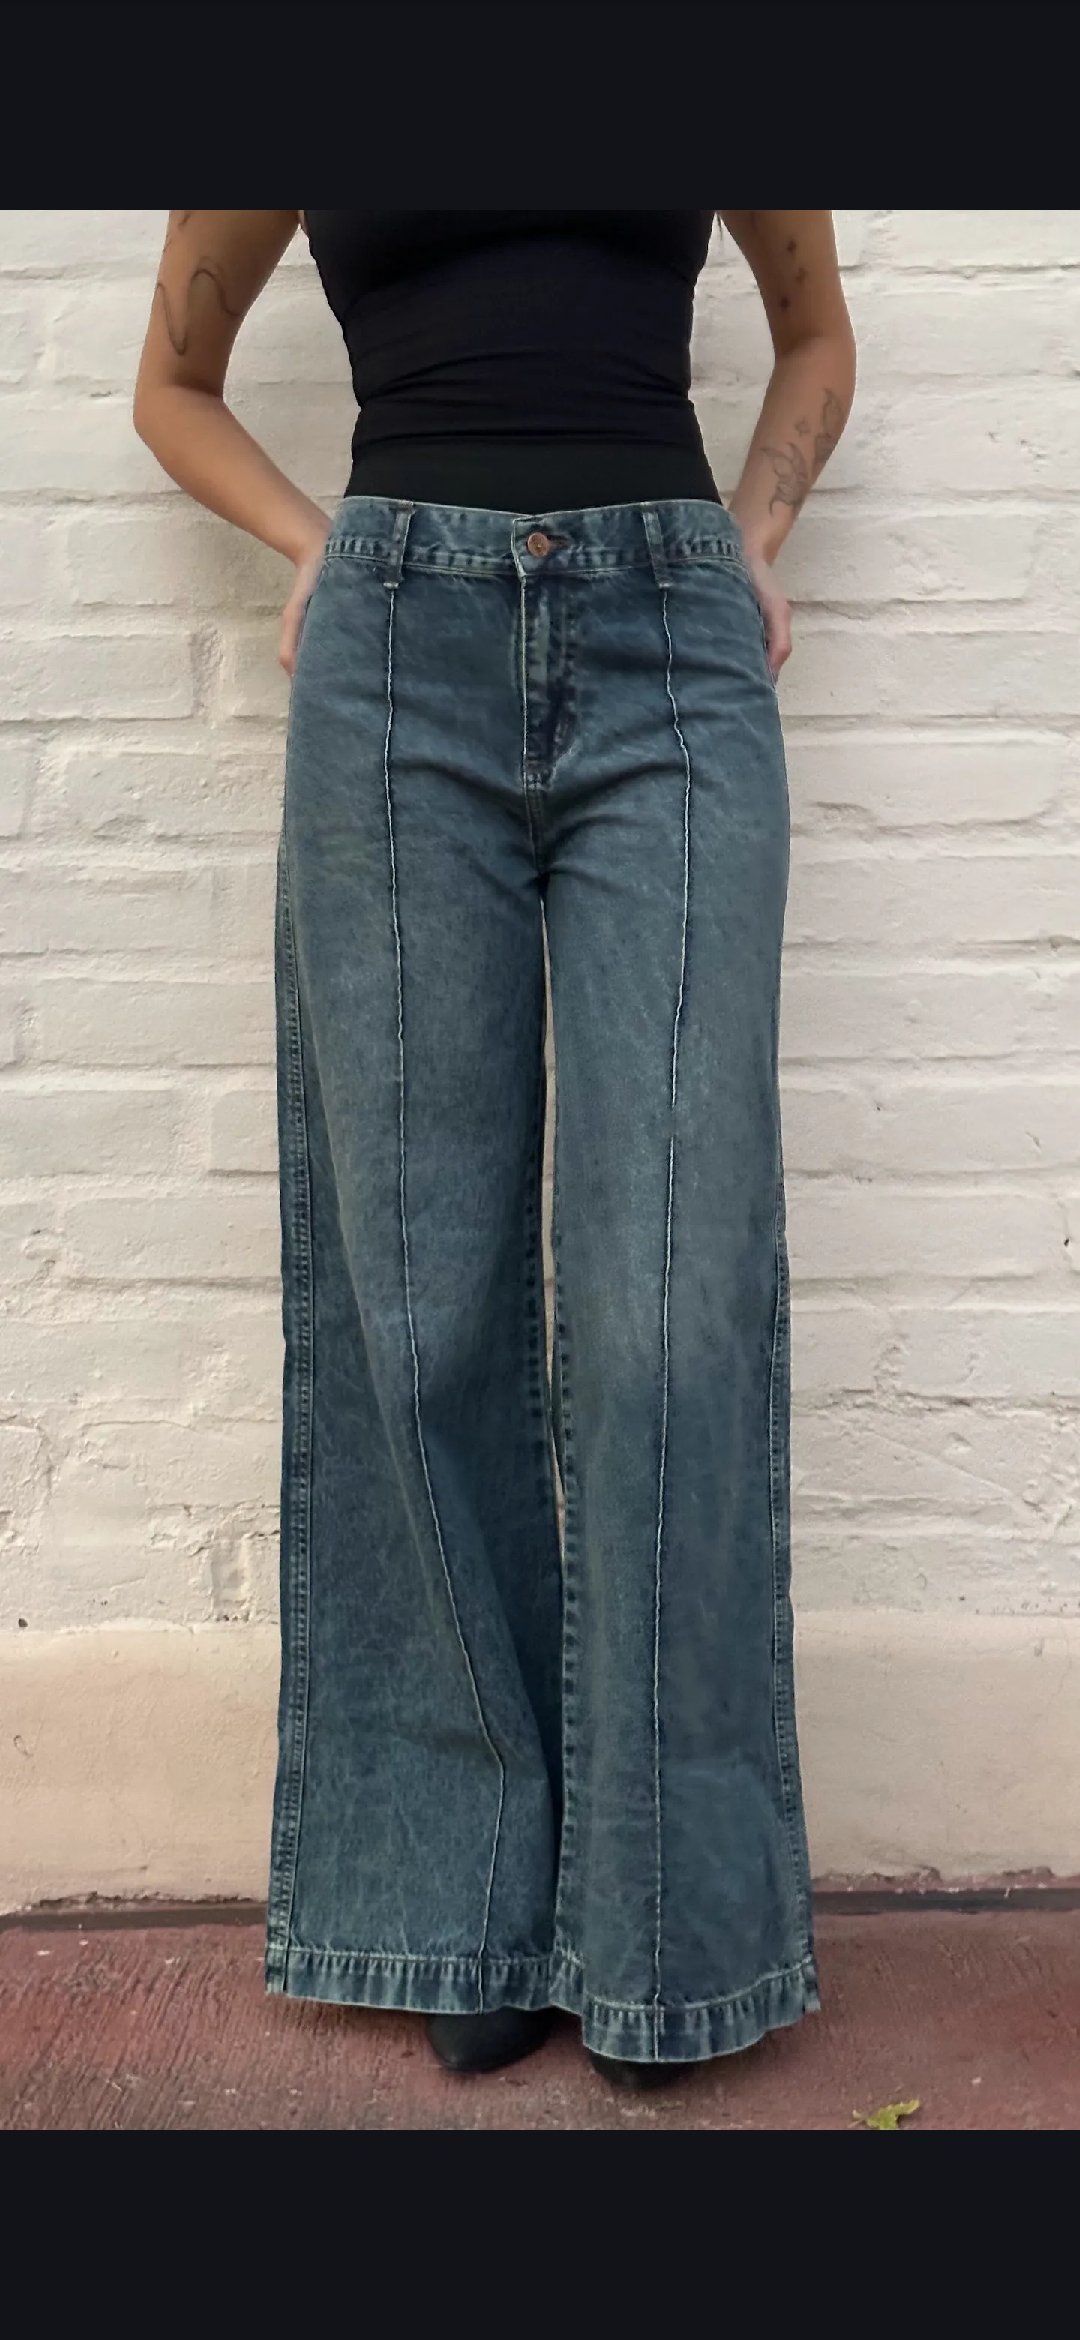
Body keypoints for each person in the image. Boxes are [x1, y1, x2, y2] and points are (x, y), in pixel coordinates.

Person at [134, 209, 856, 2092]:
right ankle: (457, 1902)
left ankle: (664, 1934)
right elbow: (173, 385)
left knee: (669, 1316)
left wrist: (753, 535)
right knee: (417, 1308)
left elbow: (814, 336)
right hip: (397, 658)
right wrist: (318, 549)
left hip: (670, 646)